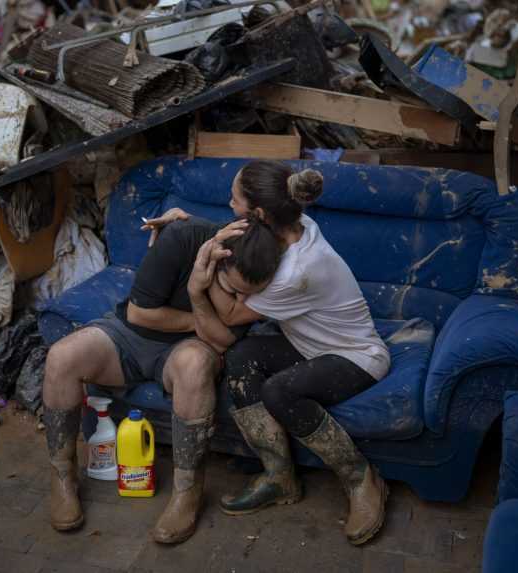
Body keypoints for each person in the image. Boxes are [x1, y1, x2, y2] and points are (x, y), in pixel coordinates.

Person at [143, 160, 391, 545]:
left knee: (279, 391)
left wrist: (203, 270)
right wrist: (185, 224)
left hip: (355, 355)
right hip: (308, 346)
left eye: (234, 199)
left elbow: (228, 315)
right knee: (242, 358)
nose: (228, 203)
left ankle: (362, 479)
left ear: (257, 213)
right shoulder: (296, 224)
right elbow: (239, 236)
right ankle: (279, 478)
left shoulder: (296, 271)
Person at [41, 216, 281, 544]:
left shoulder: (268, 272)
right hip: (130, 333)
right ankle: (62, 476)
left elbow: (222, 340)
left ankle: (187, 492)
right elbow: (141, 314)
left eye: (247, 297)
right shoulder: (183, 237)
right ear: (217, 257)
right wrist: (204, 321)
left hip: (187, 349)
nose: (238, 304)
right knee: (61, 357)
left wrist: (199, 294)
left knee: (195, 364)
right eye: (232, 290)